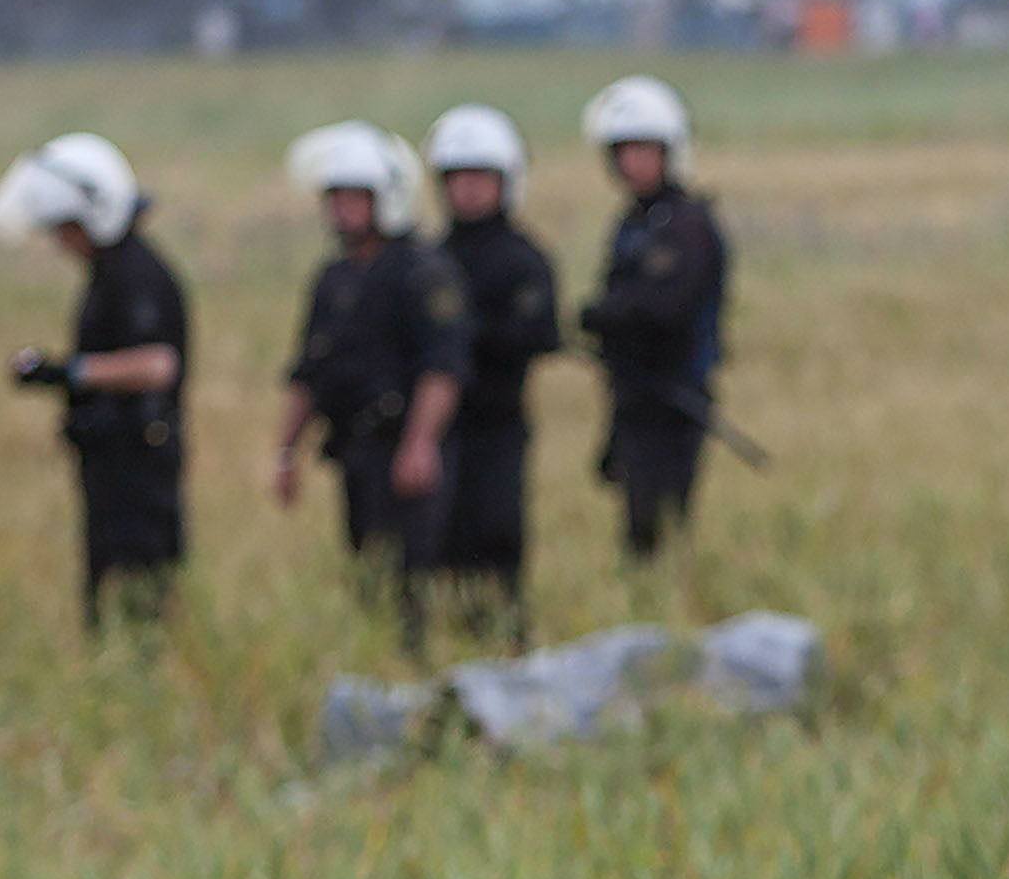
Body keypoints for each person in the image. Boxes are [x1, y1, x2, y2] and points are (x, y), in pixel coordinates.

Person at [274, 122, 471, 656]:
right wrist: (287, 450)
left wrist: (420, 443)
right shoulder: (333, 278)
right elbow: (309, 370)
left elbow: (443, 366)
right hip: (354, 450)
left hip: (404, 449)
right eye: (334, 197)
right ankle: (378, 663)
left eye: (355, 197)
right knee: (367, 574)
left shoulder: (424, 272)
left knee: (412, 577)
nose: (342, 210)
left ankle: (418, 667)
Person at [0, 132, 190, 634]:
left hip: (140, 462)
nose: (60, 242)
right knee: (106, 585)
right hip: (110, 457)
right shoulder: (107, 271)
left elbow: (158, 365)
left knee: (143, 588)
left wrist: (70, 372)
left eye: (65, 228)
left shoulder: (137, 273)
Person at [422, 102, 561, 644]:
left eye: (481, 179)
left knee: (496, 542)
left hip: (497, 425)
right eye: (457, 180)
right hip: (439, 430)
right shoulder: (429, 258)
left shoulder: (524, 259)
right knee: (438, 549)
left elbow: (538, 335)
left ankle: (505, 647)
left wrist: (463, 338)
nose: (469, 192)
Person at [577, 76, 729, 563]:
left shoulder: (685, 225)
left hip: (675, 398)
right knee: (636, 528)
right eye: (623, 152)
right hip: (632, 397)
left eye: (643, 151)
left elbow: (665, 309)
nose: (632, 164)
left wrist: (604, 316)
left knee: (659, 527)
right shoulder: (633, 223)